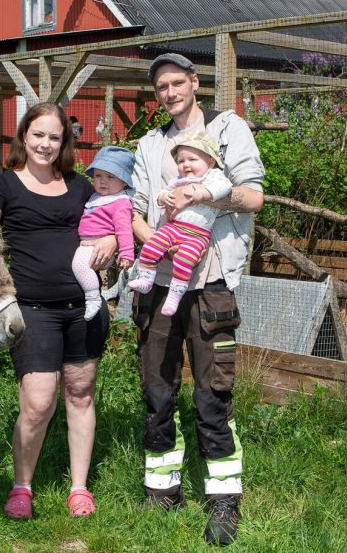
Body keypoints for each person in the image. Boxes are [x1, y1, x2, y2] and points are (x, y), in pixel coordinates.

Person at [130, 53, 265, 546]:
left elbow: (254, 197)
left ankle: (224, 500)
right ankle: (161, 489)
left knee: (212, 393)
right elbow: (136, 210)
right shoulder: (149, 145)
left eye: (177, 82)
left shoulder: (229, 130)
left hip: (212, 282)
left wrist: (202, 198)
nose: (169, 93)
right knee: (157, 387)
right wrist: (154, 242)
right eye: (161, 86)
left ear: (195, 82)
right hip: (162, 281)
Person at [0, 102, 116, 520]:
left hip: (83, 307)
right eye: (38, 134)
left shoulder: (80, 187)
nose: (45, 144)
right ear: (24, 136)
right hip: (31, 309)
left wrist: (110, 243)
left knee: (80, 393)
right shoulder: (5, 184)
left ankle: (79, 488)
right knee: (38, 402)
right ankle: (22, 486)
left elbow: (112, 220)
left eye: (54, 137)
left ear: (64, 143)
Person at [127, 131, 233, 317]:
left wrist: (202, 193)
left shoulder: (213, 177)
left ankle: (175, 295)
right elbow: (160, 195)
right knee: (151, 246)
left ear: (210, 162)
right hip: (173, 228)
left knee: (185, 259)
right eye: (181, 161)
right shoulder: (178, 180)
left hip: (197, 235)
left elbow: (225, 188)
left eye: (192, 159)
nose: (186, 165)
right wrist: (163, 197)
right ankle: (145, 278)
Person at [74, 146, 136, 321]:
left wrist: (126, 254)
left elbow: (124, 230)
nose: (103, 181)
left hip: (100, 246)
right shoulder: (97, 196)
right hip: (88, 243)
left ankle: (93, 298)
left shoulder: (120, 202)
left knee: (79, 266)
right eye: (98, 176)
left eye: (111, 176)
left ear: (124, 181)